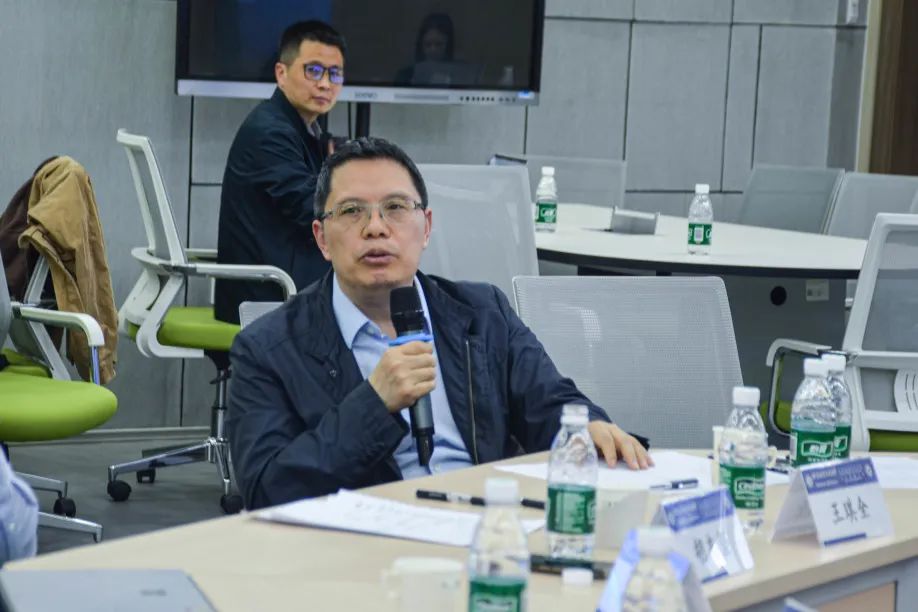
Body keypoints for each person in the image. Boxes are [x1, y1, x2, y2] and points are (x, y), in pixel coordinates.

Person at [227, 137, 651, 510]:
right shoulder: (266, 348)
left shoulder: (482, 313)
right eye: (353, 211)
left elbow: (548, 401)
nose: (376, 228)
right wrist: (373, 404)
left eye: (395, 208)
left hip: (488, 527)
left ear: (426, 227)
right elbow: (267, 491)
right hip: (361, 545)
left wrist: (587, 426)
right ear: (322, 238)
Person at [214, 20, 346, 324]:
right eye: (314, 71)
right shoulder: (270, 132)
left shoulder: (301, 128)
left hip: (285, 277)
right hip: (267, 295)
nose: (325, 84)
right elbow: (312, 211)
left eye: (335, 73)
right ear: (281, 74)